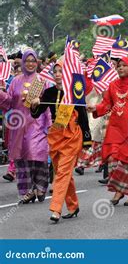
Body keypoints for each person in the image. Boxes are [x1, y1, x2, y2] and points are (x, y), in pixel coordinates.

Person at [30, 62, 91, 222]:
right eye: (55, 71)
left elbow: (83, 115)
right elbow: (36, 114)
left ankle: (56, 209)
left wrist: (86, 140)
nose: (57, 74)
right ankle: (73, 206)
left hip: (72, 136)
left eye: (61, 71)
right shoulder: (48, 92)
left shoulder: (74, 90)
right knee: (63, 174)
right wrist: (34, 104)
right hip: (55, 136)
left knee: (62, 174)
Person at [87, 57, 128, 207]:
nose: (121, 68)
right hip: (115, 128)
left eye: (124, 65)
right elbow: (107, 104)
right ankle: (119, 189)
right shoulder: (113, 85)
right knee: (113, 159)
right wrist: (96, 108)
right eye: (119, 66)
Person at [0, 49, 50, 203]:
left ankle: (40, 187)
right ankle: (27, 191)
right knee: (22, 159)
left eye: (33, 61)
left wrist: (49, 124)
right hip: (19, 125)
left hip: (37, 124)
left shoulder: (42, 81)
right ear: (22, 63)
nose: (30, 63)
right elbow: (8, 102)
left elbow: (47, 105)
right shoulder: (15, 81)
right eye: (27, 61)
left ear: (37, 63)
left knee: (37, 155)